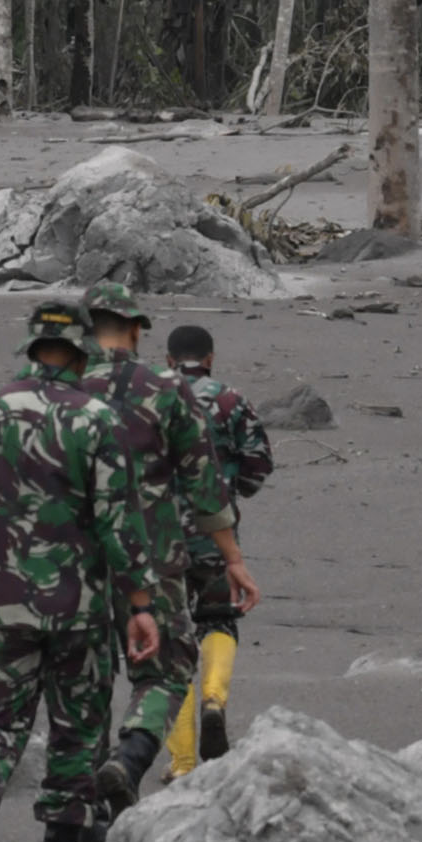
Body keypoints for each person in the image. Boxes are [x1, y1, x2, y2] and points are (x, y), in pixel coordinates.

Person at [0, 302, 163, 842]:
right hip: (78, 603)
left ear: (31, 348)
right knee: (76, 728)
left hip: (1, 595)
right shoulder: (97, 419)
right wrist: (140, 605)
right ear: (81, 351)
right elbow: (120, 521)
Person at [82, 281, 256, 812]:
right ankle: (193, 714)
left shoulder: (68, 390)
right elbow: (229, 474)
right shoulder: (195, 394)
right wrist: (232, 549)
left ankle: (156, 774)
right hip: (170, 546)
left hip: (85, 555)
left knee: (89, 675)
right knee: (179, 652)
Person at [161, 320, 275, 771]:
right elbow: (258, 464)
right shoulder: (230, 400)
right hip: (216, 534)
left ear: (169, 360)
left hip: (156, 539)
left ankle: (184, 761)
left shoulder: (146, 399)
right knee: (218, 623)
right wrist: (233, 491)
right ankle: (214, 698)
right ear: (209, 358)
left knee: (169, 648)